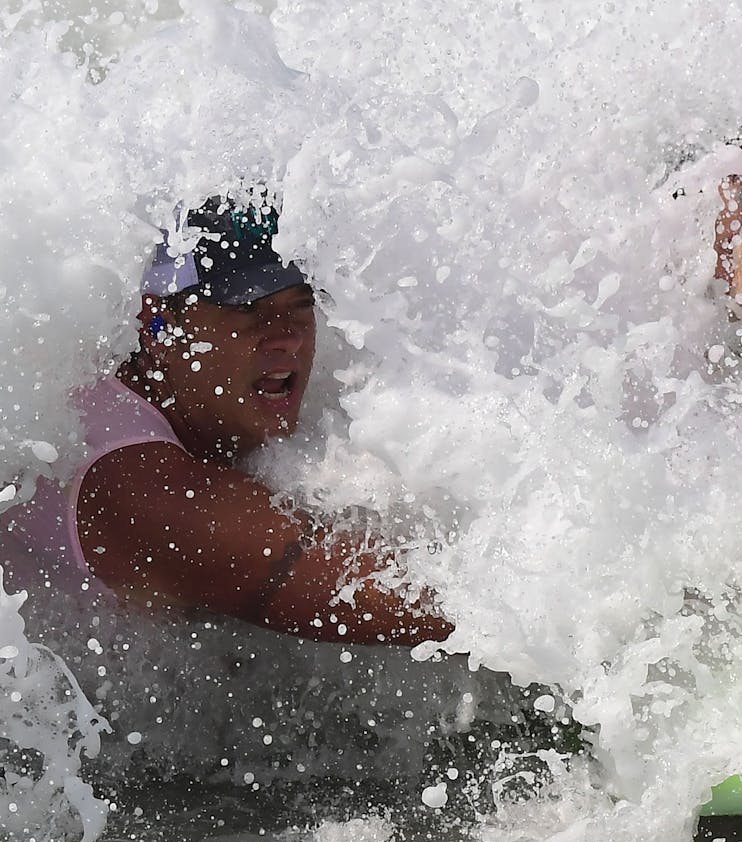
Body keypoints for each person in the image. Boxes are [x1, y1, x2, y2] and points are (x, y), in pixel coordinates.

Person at [0, 195, 451, 646]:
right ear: (159, 325)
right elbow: (369, 587)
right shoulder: (134, 483)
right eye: (248, 308)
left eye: (300, 302)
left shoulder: (173, 391)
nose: (288, 335)